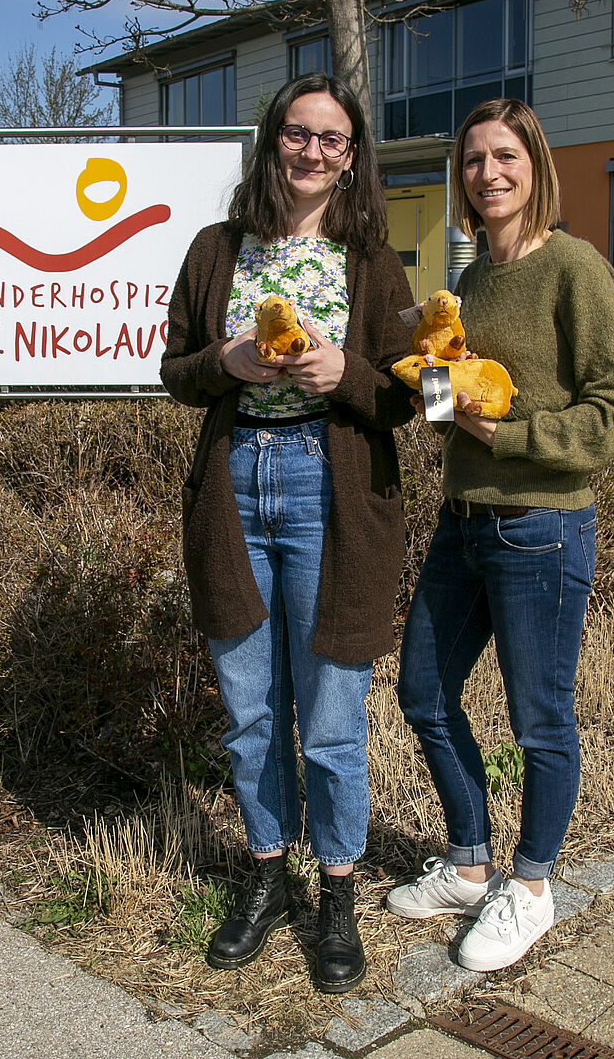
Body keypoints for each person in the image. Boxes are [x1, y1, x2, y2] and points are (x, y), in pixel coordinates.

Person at [160, 73, 413, 994]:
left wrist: (347, 371)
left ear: (352, 157)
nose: (314, 151)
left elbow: (406, 398)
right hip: (235, 483)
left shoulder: (373, 262)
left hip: (332, 489)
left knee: (334, 717)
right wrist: (226, 361)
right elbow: (175, 370)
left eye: (334, 140)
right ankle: (267, 876)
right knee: (251, 709)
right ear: (273, 142)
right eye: (299, 134)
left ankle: (336, 891)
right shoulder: (218, 248)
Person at [387, 99, 614, 971]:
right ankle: (469, 864)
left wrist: (507, 434)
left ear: (535, 165)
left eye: (505, 157)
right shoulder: (474, 281)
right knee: (422, 692)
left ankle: (531, 886)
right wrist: (432, 385)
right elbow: (444, 412)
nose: (487, 174)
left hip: (542, 527)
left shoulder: (576, 269)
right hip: (461, 525)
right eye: (472, 160)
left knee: (540, 721)